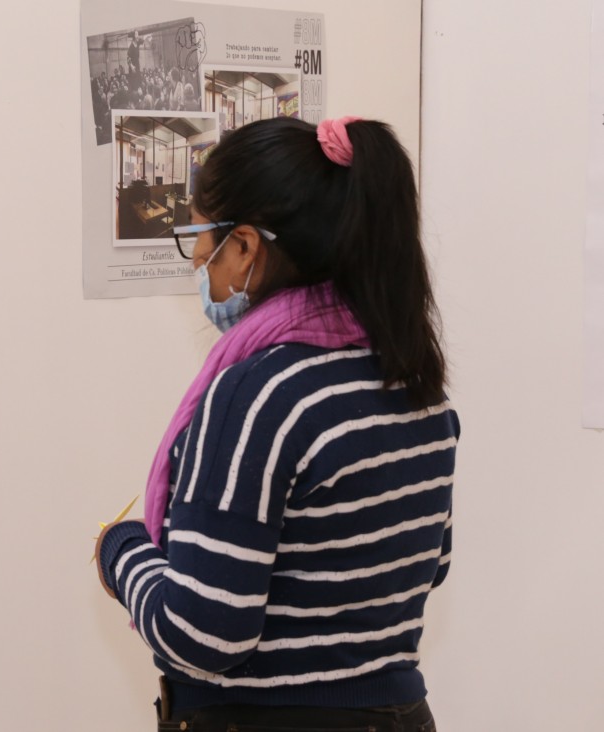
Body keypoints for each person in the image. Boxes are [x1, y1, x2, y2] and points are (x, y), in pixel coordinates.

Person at [94, 117, 457, 732]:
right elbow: (428, 562)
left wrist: (121, 551)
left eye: (200, 239)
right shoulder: (415, 379)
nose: (199, 263)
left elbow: (203, 633)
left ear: (245, 248)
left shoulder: (257, 397)